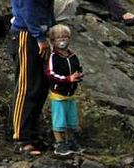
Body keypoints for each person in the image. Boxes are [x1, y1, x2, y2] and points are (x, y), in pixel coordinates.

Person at [8, 0, 54, 157]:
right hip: (25, 34)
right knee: (26, 86)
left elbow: (48, 6)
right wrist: (39, 37)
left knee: (40, 87)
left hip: (41, 32)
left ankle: (33, 134)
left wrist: (51, 30)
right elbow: (28, 8)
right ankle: (22, 138)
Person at [45, 24, 83, 156]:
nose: (62, 40)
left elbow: (78, 67)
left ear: (69, 39)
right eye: (58, 38)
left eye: (65, 37)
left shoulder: (72, 55)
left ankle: (71, 141)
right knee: (59, 120)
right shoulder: (53, 56)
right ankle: (59, 144)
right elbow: (51, 74)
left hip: (70, 94)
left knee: (72, 120)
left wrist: (79, 75)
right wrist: (67, 79)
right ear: (52, 41)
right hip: (58, 94)